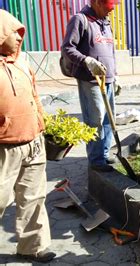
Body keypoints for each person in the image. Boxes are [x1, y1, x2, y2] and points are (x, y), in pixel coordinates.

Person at [0, 9, 56, 262]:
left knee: (34, 197)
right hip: (4, 148)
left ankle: (33, 246)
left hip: (33, 141)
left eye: (21, 31)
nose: (20, 37)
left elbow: (33, 94)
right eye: (14, 32)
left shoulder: (22, 61)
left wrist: (41, 123)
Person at [61, 0, 118, 172]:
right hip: (90, 79)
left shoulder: (106, 22)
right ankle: (96, 159)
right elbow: (67, 48)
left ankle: (105, 153)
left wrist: (116, 76)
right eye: (107, 8)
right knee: (95, 120)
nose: (109, 12)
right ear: (95, 3)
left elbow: (111, 52)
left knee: (109, 119)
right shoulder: (80, 19)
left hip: (108, 79)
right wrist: (86, 60)